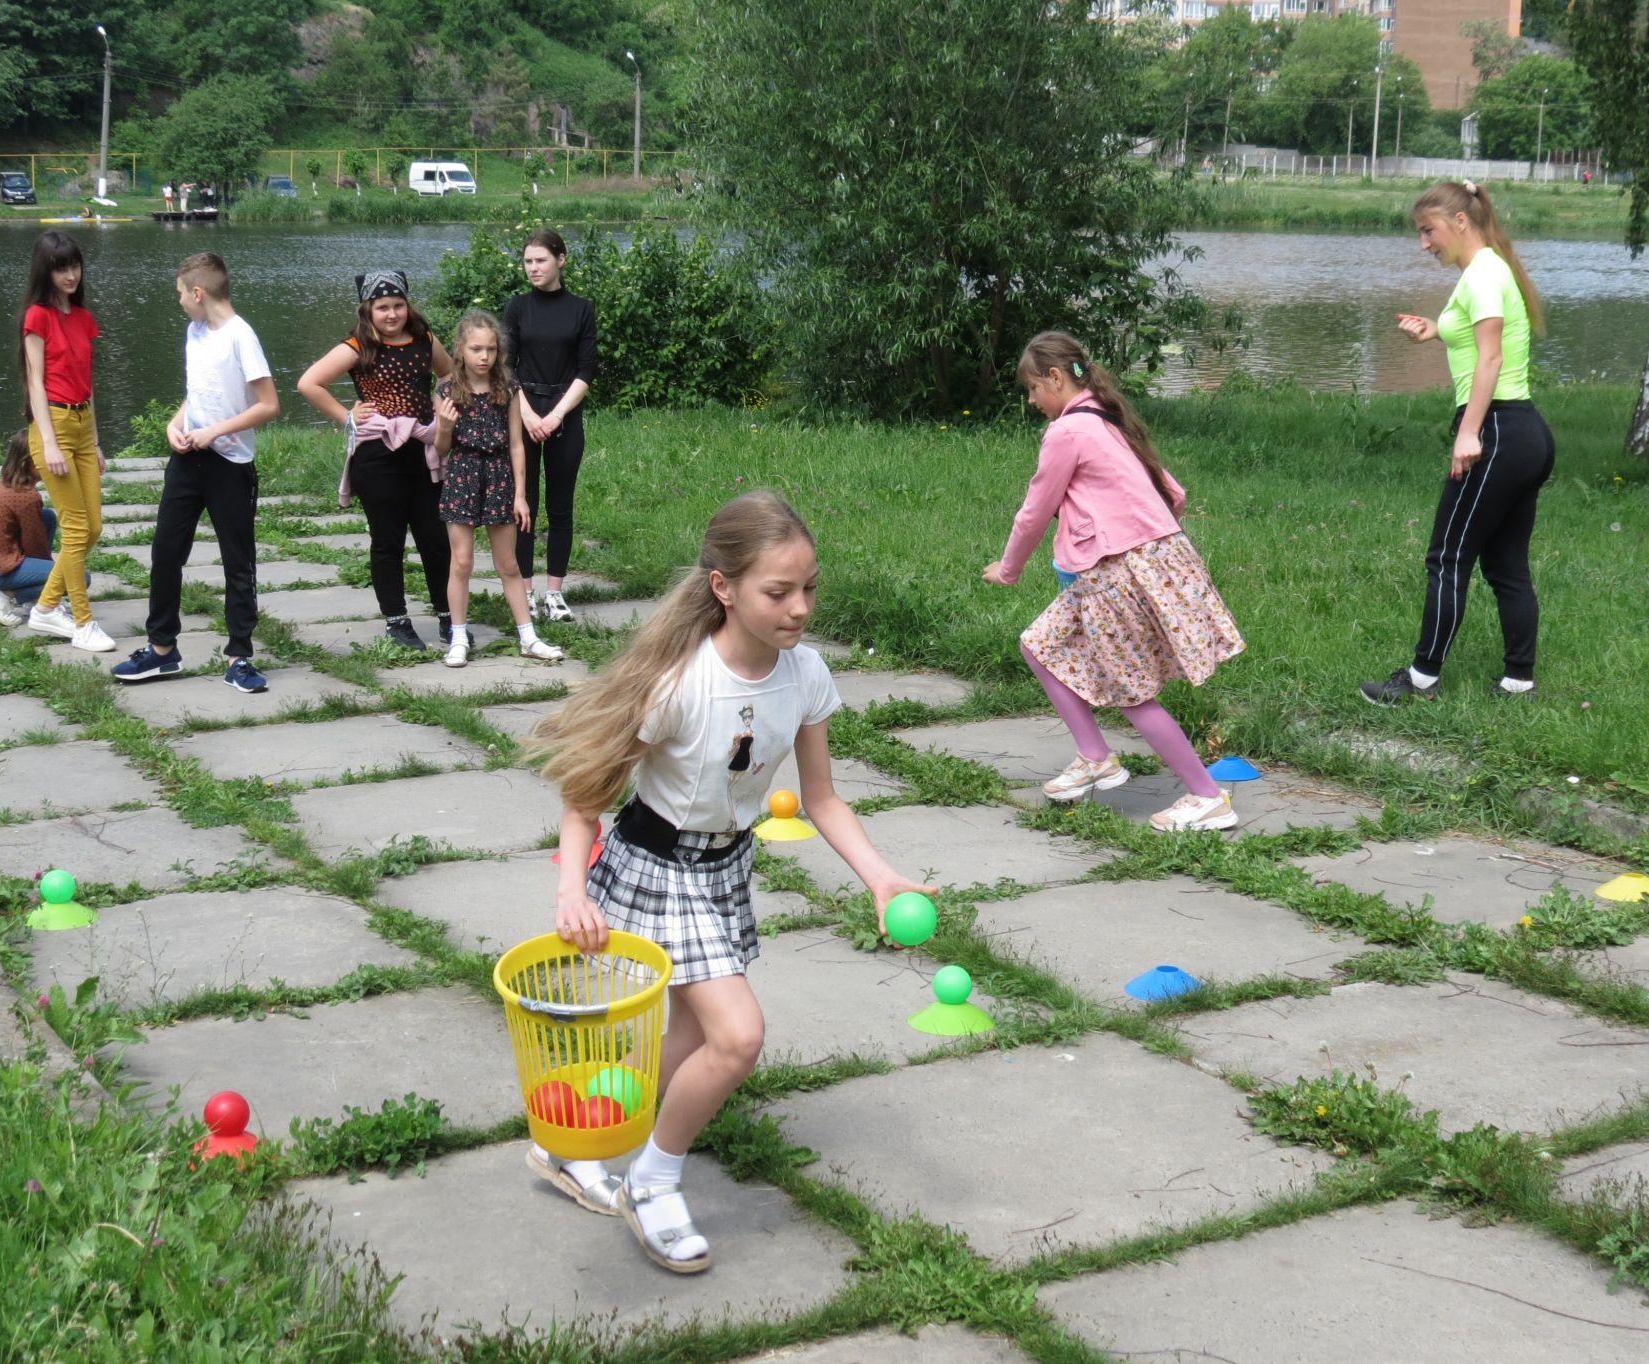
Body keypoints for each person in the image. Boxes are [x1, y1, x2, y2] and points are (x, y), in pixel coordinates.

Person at [527, 490, 937, 1274]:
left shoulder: (806, 674)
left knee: (685, 1040)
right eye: (777, 592)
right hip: (655, 866)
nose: (799, 608)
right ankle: (652, 1181)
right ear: (725, 589)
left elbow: (821, 798)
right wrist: (570, 894)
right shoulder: (679, 684)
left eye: (809, 588)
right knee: (737, 1035)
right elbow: (586, 795)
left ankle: (574, 1142)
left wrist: (881, 879)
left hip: (724, 867)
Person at [983, 330, 1245, 833]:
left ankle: (1207, 796)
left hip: (1116, 570)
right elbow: (1173, 491)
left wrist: (1008, 569)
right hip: (1141, 561)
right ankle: (1096, 757)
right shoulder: (1105, 418)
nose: (1032, 400)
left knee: (1131, 690)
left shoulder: (1068, 431)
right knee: (1039, 645)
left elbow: (1035, 510)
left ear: (1055, 378)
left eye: (1033, 388)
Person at [1363, 179, 1553, 705]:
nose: (1425, 243)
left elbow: (1490, 359)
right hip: (1524, 433)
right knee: (1506, 565)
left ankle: (1420, 680)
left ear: (1460, 221)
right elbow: (1478, 337)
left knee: (1448, 556)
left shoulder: (1485, 273)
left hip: (1498, 431)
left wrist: (1468, 432)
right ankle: (1519, 683)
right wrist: (1434, 330)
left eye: (1429, 231)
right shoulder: (1486, 271)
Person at [111, 252, 279, 694]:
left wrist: (215, 433)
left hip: (230, 466)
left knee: (237, 563)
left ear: (199, 293)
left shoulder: (242, 337)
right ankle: (162, 649)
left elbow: (268, 404)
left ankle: (239, 656)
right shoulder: (195, 330)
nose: (181, 302)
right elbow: (198, 393)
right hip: (187, 461)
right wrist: (176, 423)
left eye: (182, 295)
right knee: (166, 551)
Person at [296, 270, 455, 650]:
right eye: (382, 307)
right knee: (388, 540)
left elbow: (449, 373)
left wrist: (440, 399)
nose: (391, 314)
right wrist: (346, 417)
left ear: (408, 306)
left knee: (435, 538)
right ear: (368, 310)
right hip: (377, 456)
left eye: (398, 305)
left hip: (421, 452)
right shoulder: (356, 347)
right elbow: (309, 382)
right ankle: (396, 621)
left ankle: (450, 615)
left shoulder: (424, 340)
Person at [433, 309, 566, 668]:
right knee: (461, 563)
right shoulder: (447, 390)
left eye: (490, 349)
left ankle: (528, 636)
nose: (484, 357)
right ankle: (458, 637)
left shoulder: (507, 388)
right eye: (476, 349)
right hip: (461, 475)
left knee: (508, 563)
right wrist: (444, 427)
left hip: (499, 477)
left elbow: (516, 444)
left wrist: (521, 495)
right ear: (460, 349)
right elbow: (441, 449)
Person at [18, 229, 113, 652]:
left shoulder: (82, 316)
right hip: (51, 424)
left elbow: (86, 383)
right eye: (61, 268)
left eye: (74, 266)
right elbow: (36, 383)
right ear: (46, 271)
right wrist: (51, 444)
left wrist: (93, 442)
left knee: (92, 528)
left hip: (82, 422)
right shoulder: (37, 316)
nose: (70, 275)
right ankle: (83, 623)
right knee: (75, 529)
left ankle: (43, 609)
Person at [501, 227, 598, 624]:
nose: (533, 268)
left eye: (540, 260)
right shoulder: (517, 307)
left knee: (561, 508)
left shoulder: (581, 308)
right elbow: (505, 366)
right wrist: (525, 412)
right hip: (522, 408)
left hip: (564, 411)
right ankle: (523, 590)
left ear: (561, 259)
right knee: (524, 506)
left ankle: (554, 594)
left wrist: (557, 414)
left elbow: (587, 369)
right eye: (527, 261)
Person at [0, 431, 77, 624]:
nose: (53, 461)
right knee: (77, 576)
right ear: (28, 462)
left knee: (46, 517)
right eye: (46, 457)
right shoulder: (25, 496)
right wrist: (51, 581)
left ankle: (32, 598)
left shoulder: (8, 484)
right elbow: (35, 547)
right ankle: (3, 596)